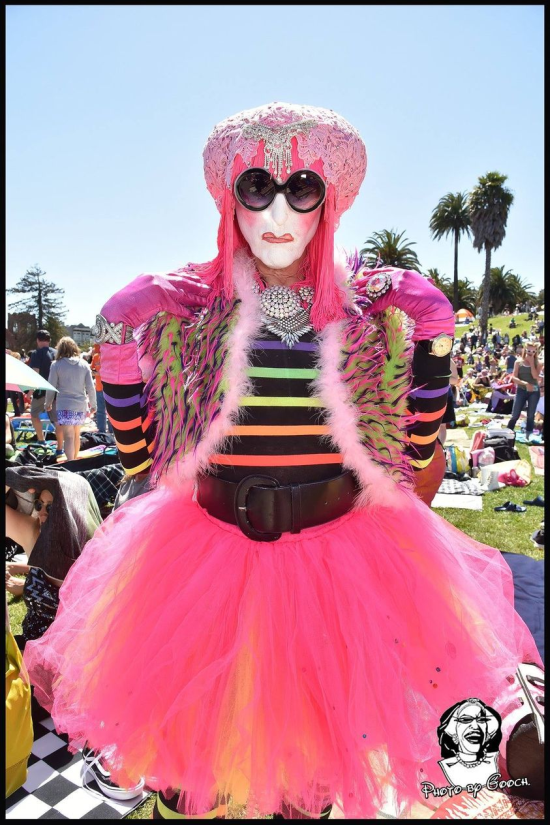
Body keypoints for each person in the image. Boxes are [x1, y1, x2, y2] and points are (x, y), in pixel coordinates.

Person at [24, 103, 543, 819]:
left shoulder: (365, 313)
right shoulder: (192, 314)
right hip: (205, 566)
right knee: (198, 775)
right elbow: (143, 457)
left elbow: (416, 459)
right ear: (229, 197)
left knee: (312, 774)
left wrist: (434, 331)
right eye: (255, 187)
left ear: (326, 199)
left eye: (300, 187)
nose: (276, 210)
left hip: (339, 567)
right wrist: (118, 325)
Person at [5, 465, 102, 651]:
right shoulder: (34, 533)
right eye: (39, 504)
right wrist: (14, 478)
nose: (41, 512)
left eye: (51, 507)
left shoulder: (97, 550)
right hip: (30, 649)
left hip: (76, 658)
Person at [45, 337, 97, 461]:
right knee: (76, 435)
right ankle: (74, 461)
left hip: (64, 404)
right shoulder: (84, 364)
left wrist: (48, 402)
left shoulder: (56, 365)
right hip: (80, 405)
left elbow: (51, 386)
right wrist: (93, 404)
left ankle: (70, 462)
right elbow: (90, 387)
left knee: (68, 436)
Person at [29, 330, 63, 454]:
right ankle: (60, 448)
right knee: (57, 420)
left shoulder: (36, 354)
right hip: (56, 390)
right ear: (49, 340)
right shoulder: (58, 353)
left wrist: (30, 391)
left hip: (42, 391)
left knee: (34, 414)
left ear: (38, 340)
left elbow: (35, 374)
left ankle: (41, 439)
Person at [507, 343, 542, 440]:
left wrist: (531, 363)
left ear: (536, 352)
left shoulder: (538, 363)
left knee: (530, 415)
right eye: (529, 350)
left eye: (533, 351)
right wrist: (525, 383)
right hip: (522, 390)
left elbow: (535, 377)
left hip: (534, 391)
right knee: (515, 414)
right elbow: (514, 377)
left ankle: (529, 435)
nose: (531, 353)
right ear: (525, 350)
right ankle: (508, 432)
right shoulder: (518, 362)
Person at [90, 343, 111, 434]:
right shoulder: (95, 357)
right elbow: (91, 370)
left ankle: (112, 431)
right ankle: (101, 431)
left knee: (110, 411)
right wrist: (98, 373)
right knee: (100, 411)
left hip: (110, 388)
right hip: (99, 388)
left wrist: (99, 373)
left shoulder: (110, 355)